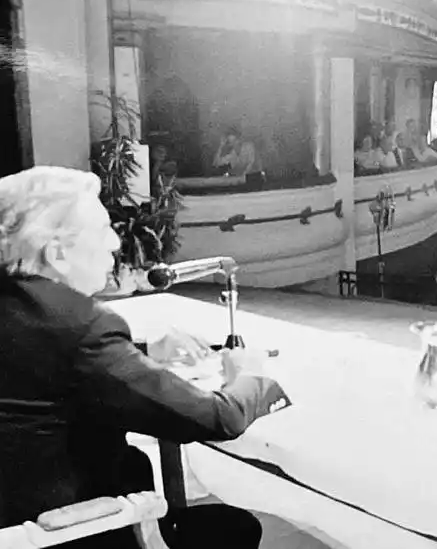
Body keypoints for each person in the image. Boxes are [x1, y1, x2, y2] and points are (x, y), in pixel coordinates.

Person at [0, 166, 278, 549]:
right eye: (102, 230)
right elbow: (217, 418)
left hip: (12, 521)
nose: (115, 243)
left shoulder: (25, 309)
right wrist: (251, 374)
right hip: (69, 531)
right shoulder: (82, 325)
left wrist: (142, 353)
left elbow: (41, 363)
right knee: (234, 527)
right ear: (57, 252)